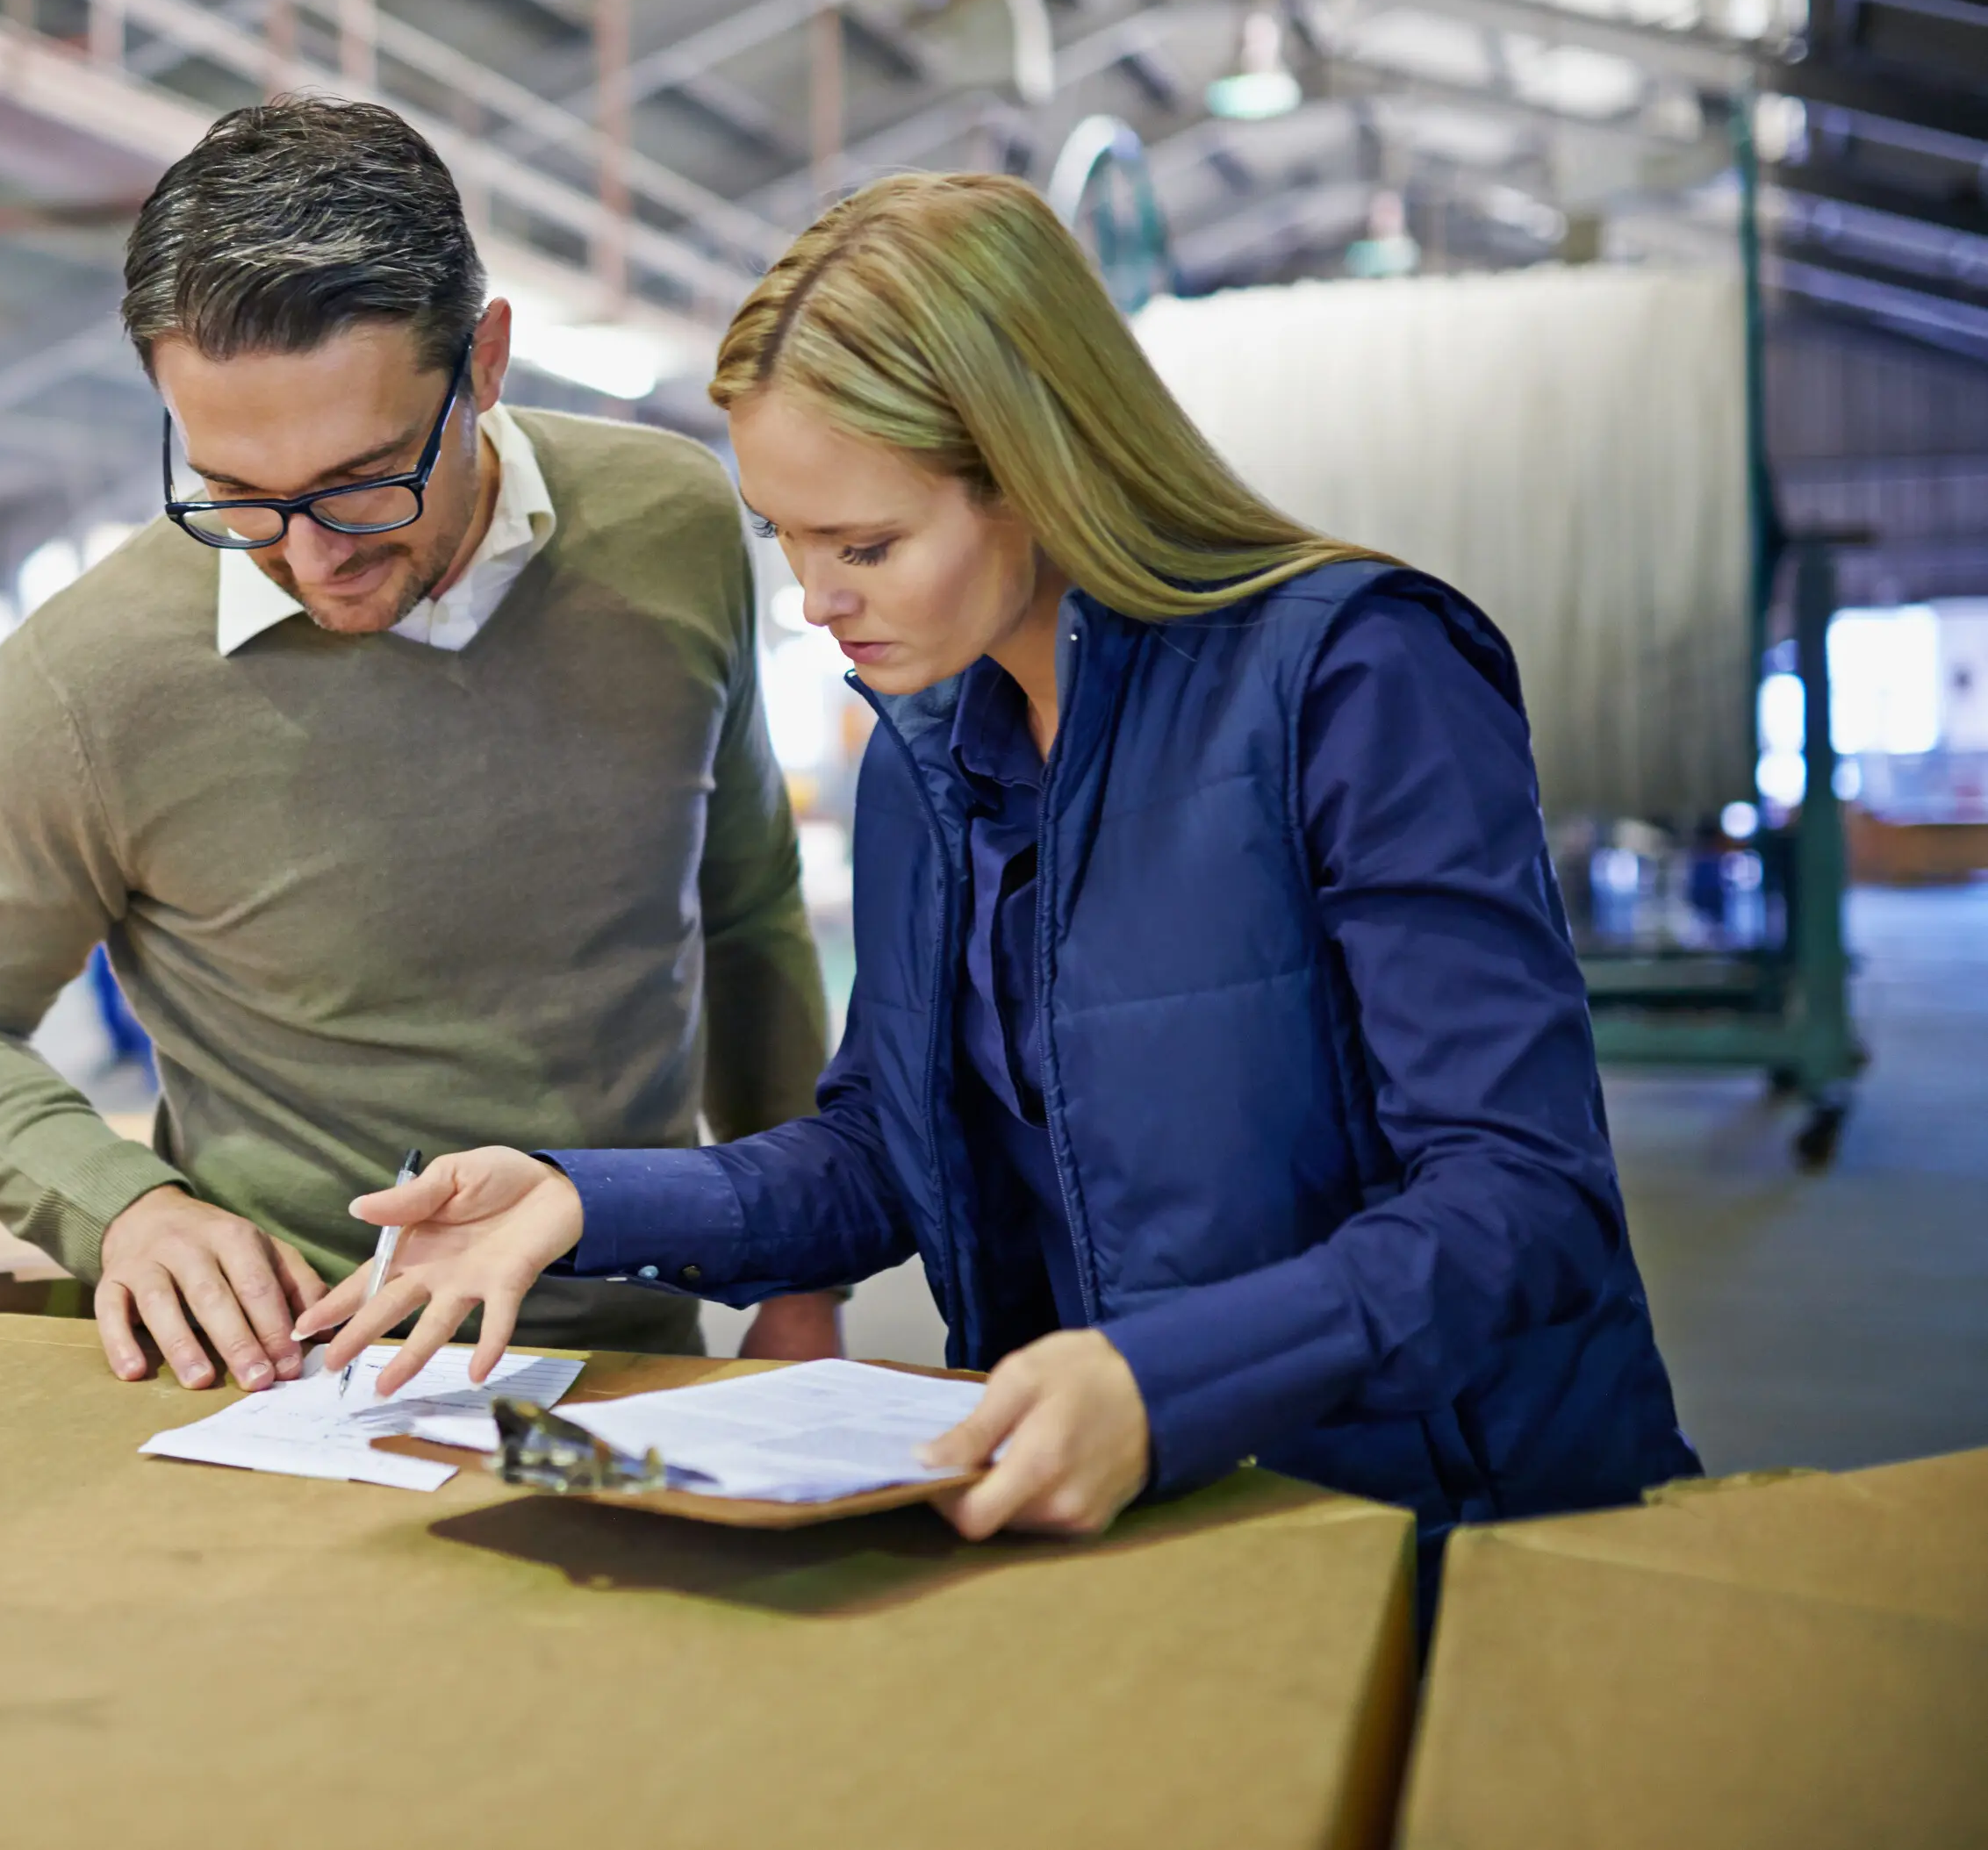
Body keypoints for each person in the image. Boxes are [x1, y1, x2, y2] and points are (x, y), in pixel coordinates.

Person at [299, 171, 1698, 1558]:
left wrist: (1158, 1384)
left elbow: (1524, 1198)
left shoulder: (1356, 679)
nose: (815, 599)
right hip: (1132, 1522)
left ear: (1038, 471)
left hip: (1455, 1524)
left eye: (867, 543)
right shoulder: (926, 756)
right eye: (784, 536)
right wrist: (583, 1199)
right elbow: (887, 1156)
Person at [0, 98, 841, 1392]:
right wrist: (122, 1207)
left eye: (365, 480)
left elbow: (749, 909)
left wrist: (801, 1270)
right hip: (285, 1380)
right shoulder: (91, 676)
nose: (313, 555)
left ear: (486, 363)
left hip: (636, 1353)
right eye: (237, 495)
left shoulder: (675, 526)